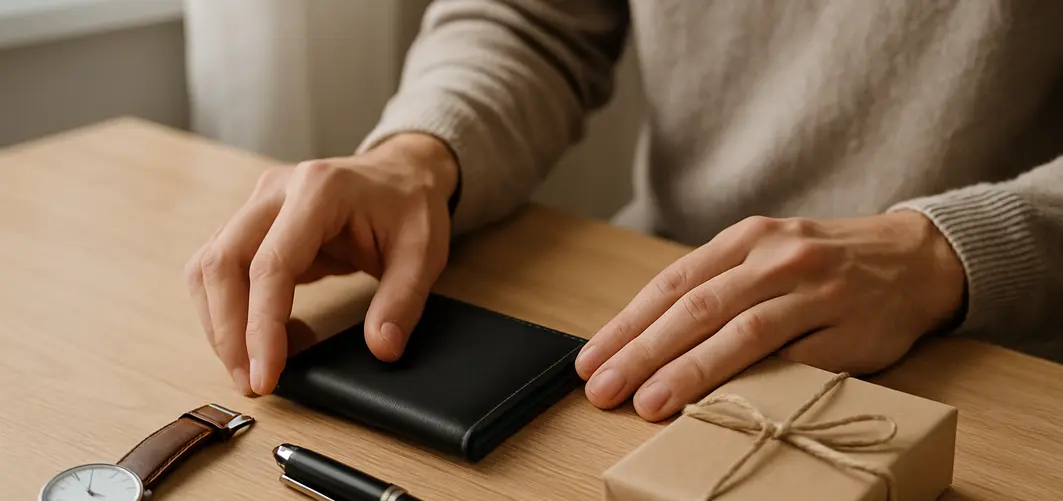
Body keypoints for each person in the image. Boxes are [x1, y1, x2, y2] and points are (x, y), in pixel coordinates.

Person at [185, 1, 1063, 422]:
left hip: (998, 364)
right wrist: (418, 153)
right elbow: (529, 20)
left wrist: (939, 253)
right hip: (650, 309)